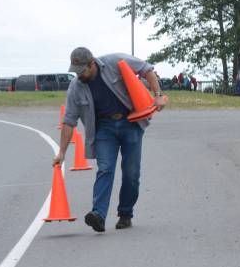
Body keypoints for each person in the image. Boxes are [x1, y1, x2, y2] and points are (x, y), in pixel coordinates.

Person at [54, 47, 166, 232]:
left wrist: (158, 95)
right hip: (104, 129)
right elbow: (69, 120)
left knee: (131, 173)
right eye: (75, 71)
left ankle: (125, 213)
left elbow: (146, 69)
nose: (78, 75)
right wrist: (62, 152)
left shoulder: (114, 61)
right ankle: (98, 214)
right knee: (105, 169)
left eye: (81, 70)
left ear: (92, 64)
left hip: (131, 122)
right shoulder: (76, 87)